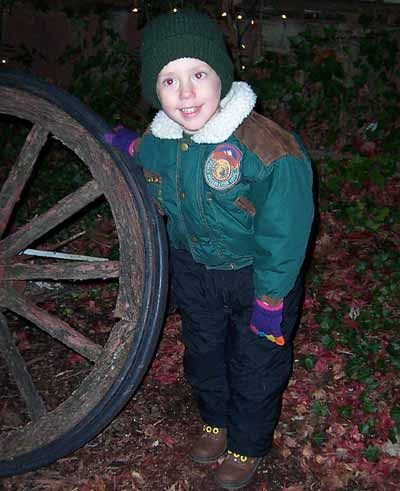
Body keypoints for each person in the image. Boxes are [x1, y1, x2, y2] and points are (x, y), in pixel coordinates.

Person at [105, 9, 314, 490]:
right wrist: (123, 144)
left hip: (257, 279)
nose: (185, 93)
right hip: (196, 272)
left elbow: (285, 234)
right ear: (154, 91)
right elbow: (144, 152)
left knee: (256, 364)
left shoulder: (267, 150)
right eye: (168, 80)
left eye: (198, 74)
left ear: (221, 74)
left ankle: (248, 443)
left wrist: (270, 299)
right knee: (203, 352)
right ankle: (215, 422)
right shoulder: (166, 140)